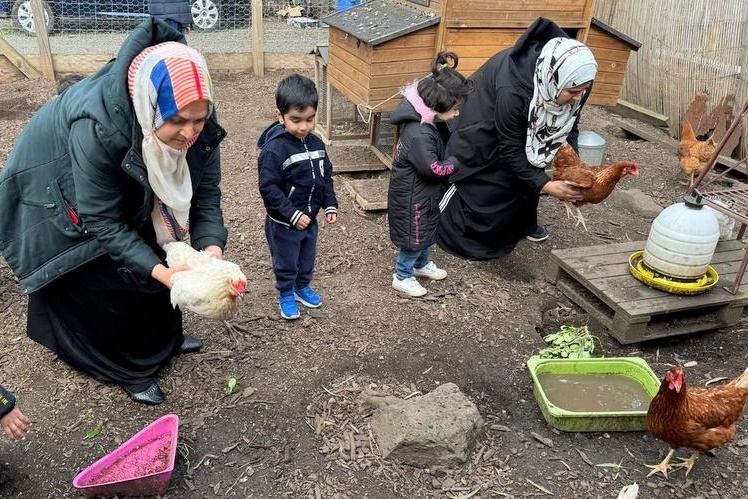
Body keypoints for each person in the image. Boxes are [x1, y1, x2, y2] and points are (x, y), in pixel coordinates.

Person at [0, 19, 228, 405]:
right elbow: (103, 220)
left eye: (198, 119)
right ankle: (125, 367)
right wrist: (165, 275)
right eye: (177, 121)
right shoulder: (98, 126)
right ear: (150, 108)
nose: (191, 133)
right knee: (106, 281)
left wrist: (210, 254)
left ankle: (163, 344)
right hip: (56, 190)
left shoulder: (197, 114)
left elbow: (207, 194)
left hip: (124, 168)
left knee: (159, 254)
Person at [436, 17, 595, 260]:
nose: (578, 97)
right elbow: (509, 147)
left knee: (528, 171)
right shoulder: (513, 88)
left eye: (582, 91)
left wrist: (572, 164)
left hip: (523, 121)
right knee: (489, 183)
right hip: (484, 124)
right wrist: (547, 185)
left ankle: (521, 225)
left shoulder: (576, 78)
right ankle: (449, 226)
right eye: (573, 92)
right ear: (554, 81)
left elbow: (570, 121)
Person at [388, 51, 472, 297]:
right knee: (415, 235)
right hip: (412, 197)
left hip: (424, 194)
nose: (456, 114)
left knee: (428, 229)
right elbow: (433, 168)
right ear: (437, 106)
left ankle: (421, 264)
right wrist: (455, 163)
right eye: (455, 109)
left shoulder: (428, 123)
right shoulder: (419, 133)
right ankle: (402, 276)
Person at [257, 74, 339, 320]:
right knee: (286, 260)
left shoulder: (316, 144)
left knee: (306, 257)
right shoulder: (274, 150)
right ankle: (285, 293)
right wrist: (292, 214)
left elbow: (325, 176)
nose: (303, 127)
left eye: (310, 119)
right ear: (279, 115)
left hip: (309, 218)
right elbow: (268, 188)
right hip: (284, 222)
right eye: (295, 120)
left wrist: (330, 204)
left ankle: (302, 287)